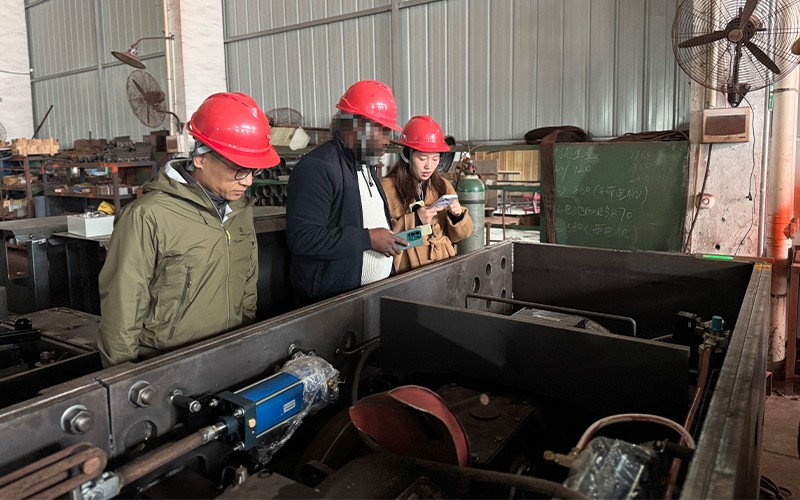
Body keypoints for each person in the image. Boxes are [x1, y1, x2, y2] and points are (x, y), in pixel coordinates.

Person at [97, 92, 280, 366]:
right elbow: (122, 308)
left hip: (228, 357)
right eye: (239, 169)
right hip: (166, 366)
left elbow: (246, 287)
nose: (248, 181)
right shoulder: (149, 216)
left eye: (254, 170)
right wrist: (124, 379)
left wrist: (244, 345)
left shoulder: (239, 211)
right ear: (201, 158)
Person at [286, 80, 407, 304]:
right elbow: (303, 237)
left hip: (371, 295)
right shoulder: (319, 167)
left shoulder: (366, 165)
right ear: (354, 126)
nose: (386, 140)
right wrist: (367, 238)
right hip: (332, 303)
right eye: (381, 131)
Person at [381, 115, 473, 274]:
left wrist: (457, 217)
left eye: (435, 159)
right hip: (407, 270)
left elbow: (461, 235)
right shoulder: (387, 187)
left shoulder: (443, 186)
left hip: (443, 264)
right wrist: (415, 220)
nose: (428, 166)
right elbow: (378, 238)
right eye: (422, 158)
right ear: (407, 155)